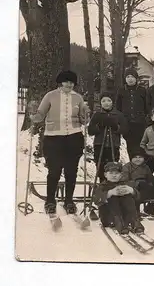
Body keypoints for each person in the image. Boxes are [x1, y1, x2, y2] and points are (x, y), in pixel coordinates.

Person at [29, 70, 88, 215]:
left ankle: (69, 200)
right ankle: (50, 201)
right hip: (54, 138)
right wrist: (34, 115)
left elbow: (83, 119)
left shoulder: (78, 98)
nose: (69, 84)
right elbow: (40, 115)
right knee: (54, 170)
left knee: (71, 171)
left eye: (71, 82)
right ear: (60, 82)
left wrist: (85, 116)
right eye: (66, 81)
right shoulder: (50, 96)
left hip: (74, 137)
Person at [92, 162, 144, 234]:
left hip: (124, 217)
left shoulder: (125, 184)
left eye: (116, 173)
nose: (114, 175)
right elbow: (96, 200)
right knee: (113, 197)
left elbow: (138, 197)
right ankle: (119, 223)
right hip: (108, 217)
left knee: (127, 196)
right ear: (105, 175)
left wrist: (131, 191)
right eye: (111, 173)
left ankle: (135, 222)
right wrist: (109, 193)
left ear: (121, 175)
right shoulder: (102, 187)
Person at [88, 91, 129, 182]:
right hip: (99, 144)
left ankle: (112, 185)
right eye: (103, 101)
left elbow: (124, 129)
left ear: (112, 102)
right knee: (100, 167)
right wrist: (100, 126)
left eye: (108, 101)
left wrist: (115, 127)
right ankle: (102, 185)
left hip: (113, 145)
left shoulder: (118, 114)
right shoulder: (97, 114)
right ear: (100, 103)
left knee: (113, 167)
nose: (106, 103)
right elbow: (90, 131)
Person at [115, 67, 148, 160]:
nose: (130, 79)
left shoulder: (142, 90)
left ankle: (141, 167)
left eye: (132, 77)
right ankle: (133, 166)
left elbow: (147, 107)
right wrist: (120, 121)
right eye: (128, 76)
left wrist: (145, 119)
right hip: (127, 124)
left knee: (141, 147)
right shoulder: (121, 91)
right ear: (125, 79)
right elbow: (118, 108)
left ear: (136, 78)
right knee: (131, 147)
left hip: (140, 124)